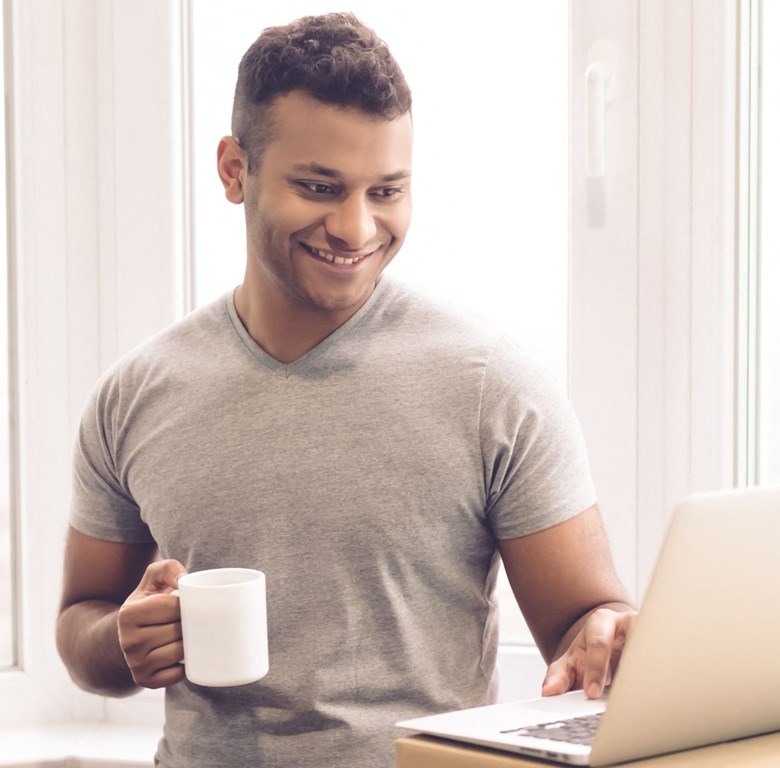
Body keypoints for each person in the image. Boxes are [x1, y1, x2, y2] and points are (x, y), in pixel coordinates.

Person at [56, 12, 635, 768]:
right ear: (235, 170)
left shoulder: (495, 386)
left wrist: (605, 633)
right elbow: (80, 624)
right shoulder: (134, 395)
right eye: (320, 187)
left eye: (386, 190)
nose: (357, 227)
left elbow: (586, 618)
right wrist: (122, 640)